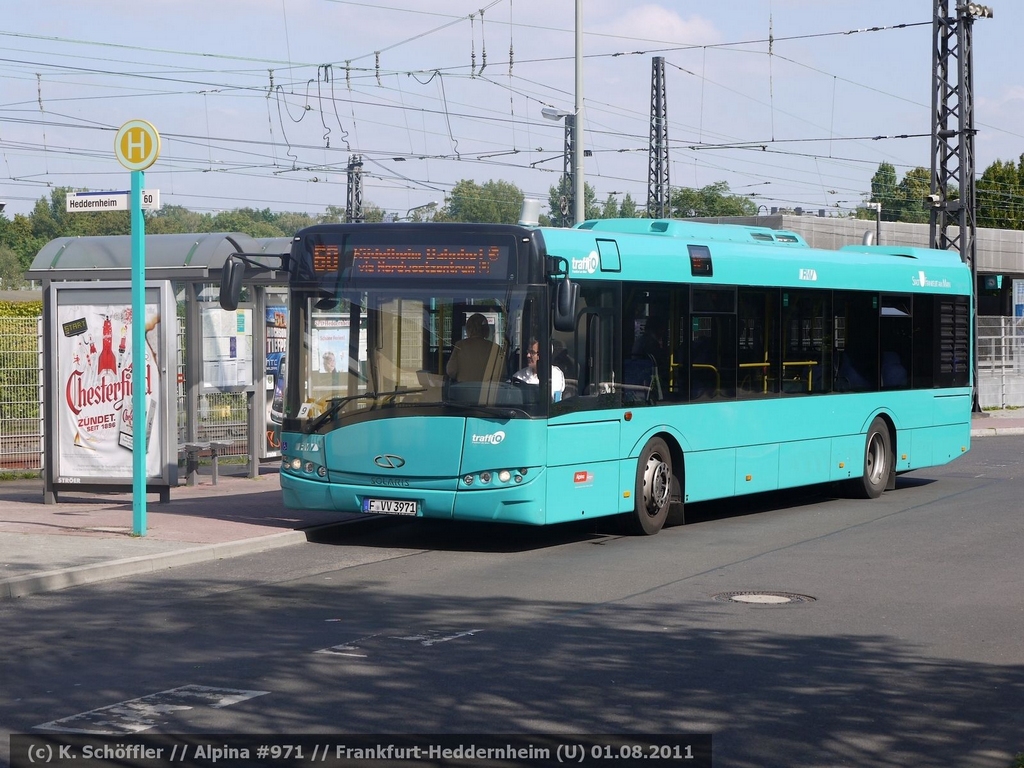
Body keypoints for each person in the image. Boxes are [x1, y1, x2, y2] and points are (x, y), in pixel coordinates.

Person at [446, 313, 503, 383]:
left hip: (463, 390)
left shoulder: (460, 345)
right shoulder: (496, 348)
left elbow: (451, 371)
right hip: (488, 391)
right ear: (486, 329)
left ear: (468, 328)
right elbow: (502, 374)